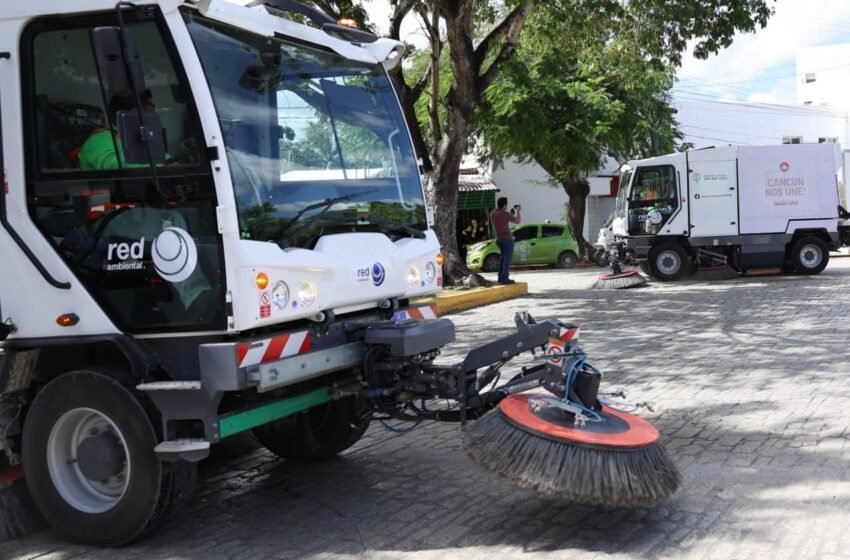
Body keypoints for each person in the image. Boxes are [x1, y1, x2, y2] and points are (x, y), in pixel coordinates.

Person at [76, 92, 157, 170]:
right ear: (132, 114)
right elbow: (120, 166)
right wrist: (162, 164)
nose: (153, 119)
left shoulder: (139, 138)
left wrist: (167, 162)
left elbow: (163, 158)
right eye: (149, 113)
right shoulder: (98, 141)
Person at [490, 197, 521, 284]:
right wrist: (518, 211)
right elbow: (517, 221)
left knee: (503, 258)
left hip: (498, 238)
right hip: (507, 238)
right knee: (507, 258)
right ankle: (504, 278)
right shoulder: (505, 213)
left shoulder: (493, 213)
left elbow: (499, 222)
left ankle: (500, 277)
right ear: (504, 205)